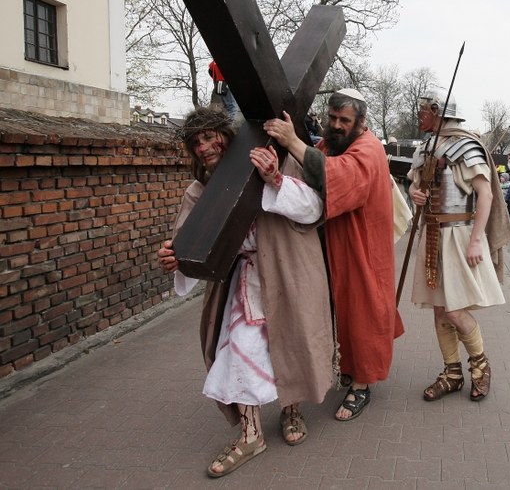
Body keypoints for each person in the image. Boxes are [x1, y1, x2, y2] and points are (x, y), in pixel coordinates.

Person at [157, 107, 334, 478]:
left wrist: (274, 180)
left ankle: (291, 410)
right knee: (238, 350)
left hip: (287, 271)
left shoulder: (273, 161)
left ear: (227, 135)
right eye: (195, 142)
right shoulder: (199, 190)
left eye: (209, 137)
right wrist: (176, 258)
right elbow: (185, 242)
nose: (203, 147)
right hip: (244, 280)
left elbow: (313, 208)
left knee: (291, 341)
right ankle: (251, 434)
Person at [263, 88, 403, 422]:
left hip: (362, 248)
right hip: (334, 243)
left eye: (345, 120)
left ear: (361, 122)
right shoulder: (332, 143)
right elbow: (313, 163)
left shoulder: (368, 148)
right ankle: (348, 366)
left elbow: (338, 175)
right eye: (333, 118)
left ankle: (363, 383)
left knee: (363, 312)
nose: (337, 125)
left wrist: (292, 141)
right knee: (340, 310)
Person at [407, 95, 510, 402]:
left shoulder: (466, 146)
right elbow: (413, 183)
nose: (420, 115)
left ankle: (480, 366)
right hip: (432, 234)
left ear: (438, 113)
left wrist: (477, 239)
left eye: (425, 110)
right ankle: (452, 373)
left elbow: (486, 194)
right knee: (440, 308)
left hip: (458, 234)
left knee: (454, 309)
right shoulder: (426, 146)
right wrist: (415, 193)